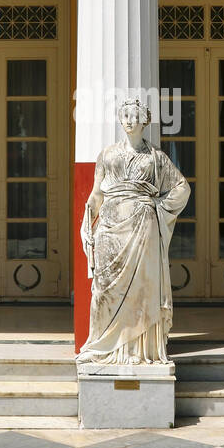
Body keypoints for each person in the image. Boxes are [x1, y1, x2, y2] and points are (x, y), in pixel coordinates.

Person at [78, 99, 191, 366]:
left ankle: (140, 352)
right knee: (103, 290)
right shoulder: (106, 155)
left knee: (143, 290)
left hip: (143, 229)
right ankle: (101, 346)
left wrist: (158, 207)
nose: (128, 120)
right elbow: (97, 195)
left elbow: (182, 188)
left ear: (144, 121)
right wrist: (88, 221)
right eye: (124, 115)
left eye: (134, 116)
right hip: (110, 230)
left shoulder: (157, 159)